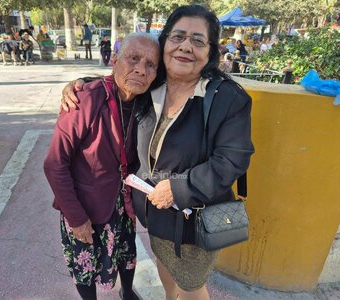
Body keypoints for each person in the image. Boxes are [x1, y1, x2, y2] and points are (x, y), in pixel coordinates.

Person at [62, 5, 254, 300]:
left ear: (210, 51)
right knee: (165, 267)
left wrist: (180, 189)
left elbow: (233, 159)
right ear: (165, 42)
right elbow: (122, 78)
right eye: (178, 36)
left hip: (195, 217)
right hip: (153, 212)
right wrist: (82, 84)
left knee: (191, 285)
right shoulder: (153, 84)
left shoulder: (227, 97)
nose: (186, 46)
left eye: (198, 40)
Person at [44, 32, 160, 300]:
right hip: (84, 203)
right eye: (133, 58)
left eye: (150, 64)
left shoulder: (150, 101)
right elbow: (54, 164)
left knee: (126, 253)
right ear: (115, 59)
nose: (140, 69)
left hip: (123, 200)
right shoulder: (84, 99)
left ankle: (127, 293)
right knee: (84, 261)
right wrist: (76, 217)